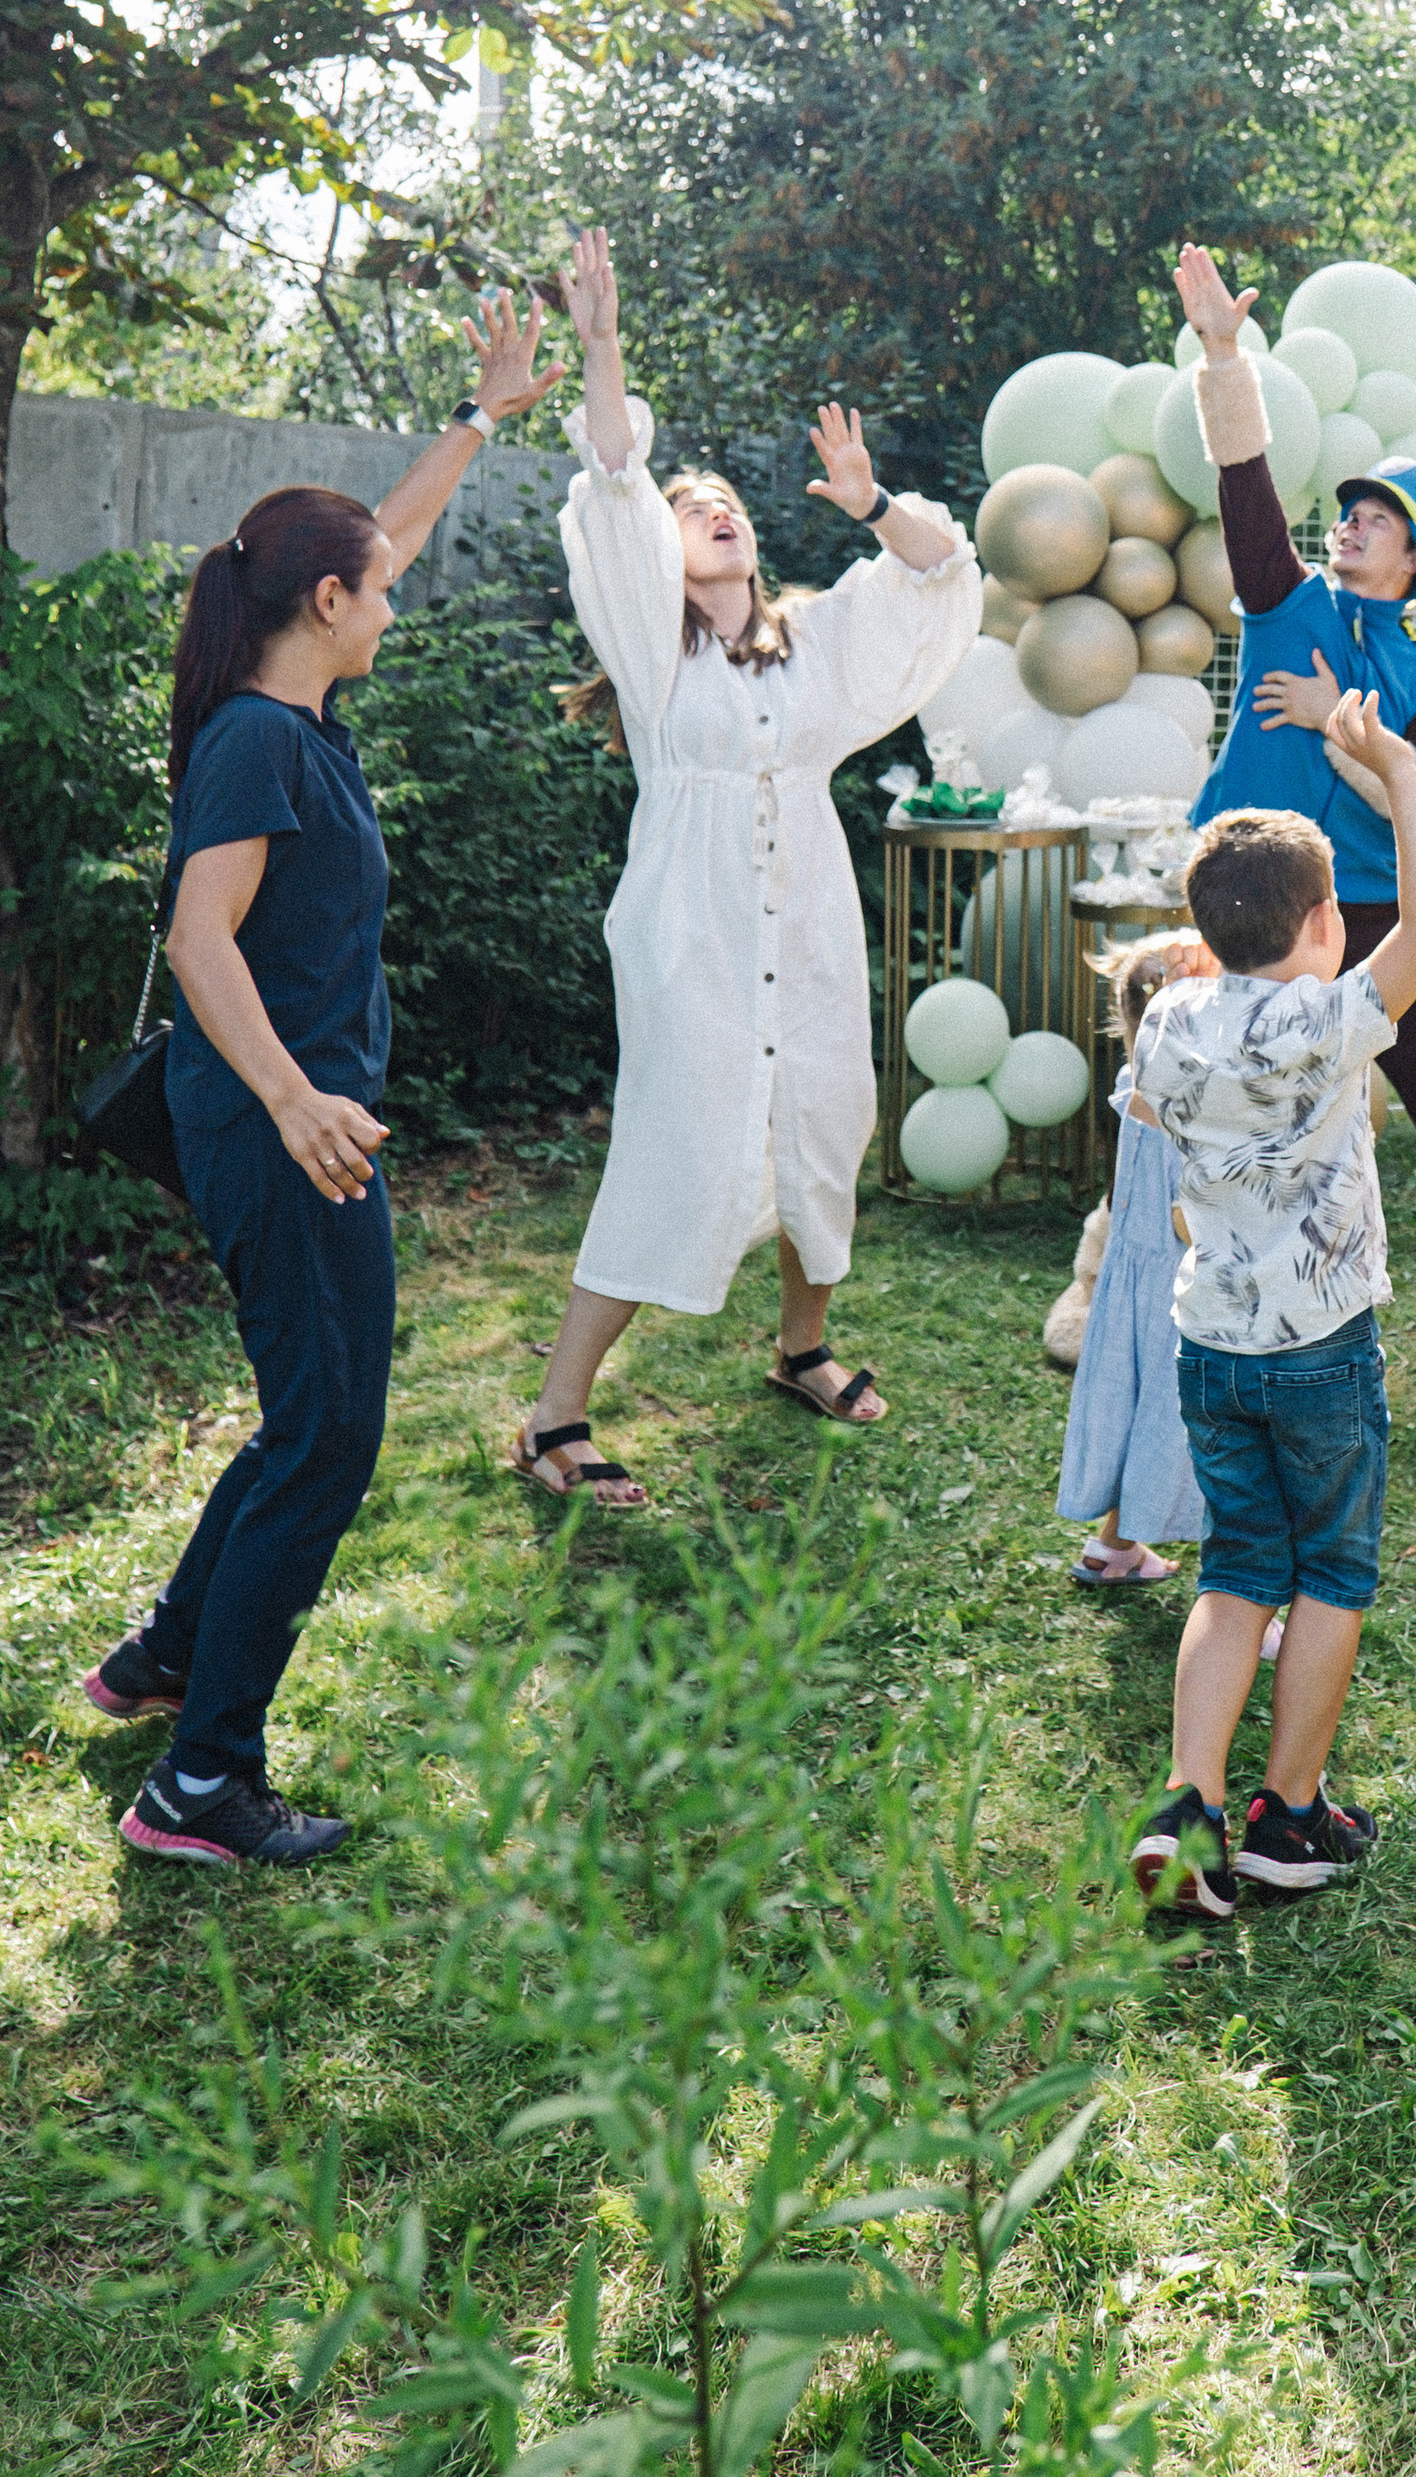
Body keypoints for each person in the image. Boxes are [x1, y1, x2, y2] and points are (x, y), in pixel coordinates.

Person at [93, 294, 565, 1866]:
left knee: (304, 1420)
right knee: (329, 1440)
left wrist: (481, 419)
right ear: (322, 599)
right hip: (280, 1132)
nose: (395, 600)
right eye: (375, 591)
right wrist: (297, 1100)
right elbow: (200, 936)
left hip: (299, 1129)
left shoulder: (300, 708)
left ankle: (169, 1661)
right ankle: (203, 1783)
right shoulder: (253, 743)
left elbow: (389, 538)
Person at [515, 228, 977, 1502]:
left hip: (811, 919)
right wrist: (604, 344)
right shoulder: (654, 661)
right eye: (687, 510)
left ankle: (801, 1346)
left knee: (826, 1113)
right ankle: (555, 1415)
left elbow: (943, 584)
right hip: (692, 927)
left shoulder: (815, 641)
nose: (708, 511)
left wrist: (876, 503)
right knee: (682, 1134)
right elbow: (614, 480)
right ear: (658, 559)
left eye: (723, 503)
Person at [1166, 240, 1416, 1352]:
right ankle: (1115, 1267)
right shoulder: (1281, 600)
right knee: (1184, 1092)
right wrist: (1223, 356)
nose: (1349, 524)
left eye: (1377, 520)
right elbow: (1245, 483)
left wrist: (1332, 724)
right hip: (1248, 894)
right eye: (1347, 512)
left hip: (1372, 911)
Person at [1128, 689, 1416, 1918]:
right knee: (1330, 1573)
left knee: (1235, 1573)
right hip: (1320, 1349)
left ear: (1204, 932)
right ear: (1323, 920)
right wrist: (1397, 776)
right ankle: (1287, 1817)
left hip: (1209, 1346)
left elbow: (1158, 1109)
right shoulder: (1327, 1024)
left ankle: (1187, 1807)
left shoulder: (1165, 1017)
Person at [1058, 936, 1213, 1587]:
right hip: (1183, 1293)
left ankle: (1114, 1546)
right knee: (1198, 1434)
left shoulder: (1132, 1086)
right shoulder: (1192, 1104)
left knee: (1134, 1412)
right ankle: (1241, 1598)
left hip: (1134, 1289)